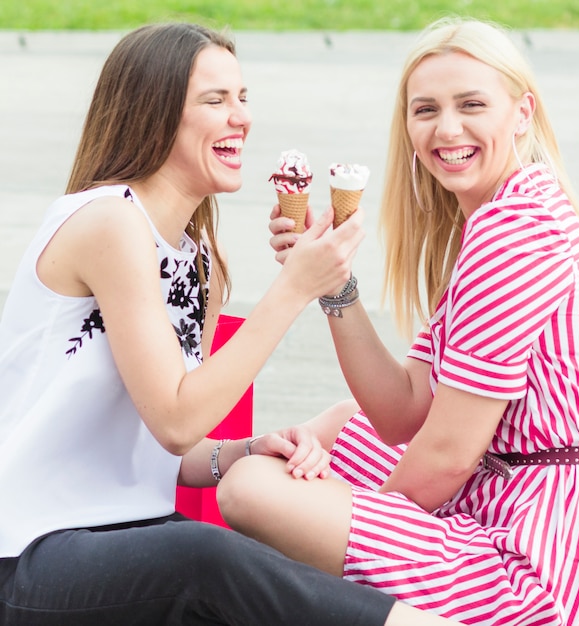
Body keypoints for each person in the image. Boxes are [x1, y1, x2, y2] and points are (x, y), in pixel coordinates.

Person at [0, 21, 463, 626]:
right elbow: (175, 418)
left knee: (258, 537)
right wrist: (295, 285)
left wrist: (248, 449)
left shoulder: (201, 262)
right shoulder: (108, 221)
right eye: (215, 101)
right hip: (33, 551)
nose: (240, 118)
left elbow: (175, 448)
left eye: (243, 98)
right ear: (154, 113)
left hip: (130, 536)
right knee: (204, 557)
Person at [218, 16, 579, 626]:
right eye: (426, 109)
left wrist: (342, 529)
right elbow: (401, 409)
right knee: (341, 426)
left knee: (250, 490)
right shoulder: (504, 215)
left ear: (522, 112)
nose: (447, 128)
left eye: (471, 104)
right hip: (511, 501)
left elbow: (445, 458)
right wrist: (332, 280)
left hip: (544, 562)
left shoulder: (514, 236)